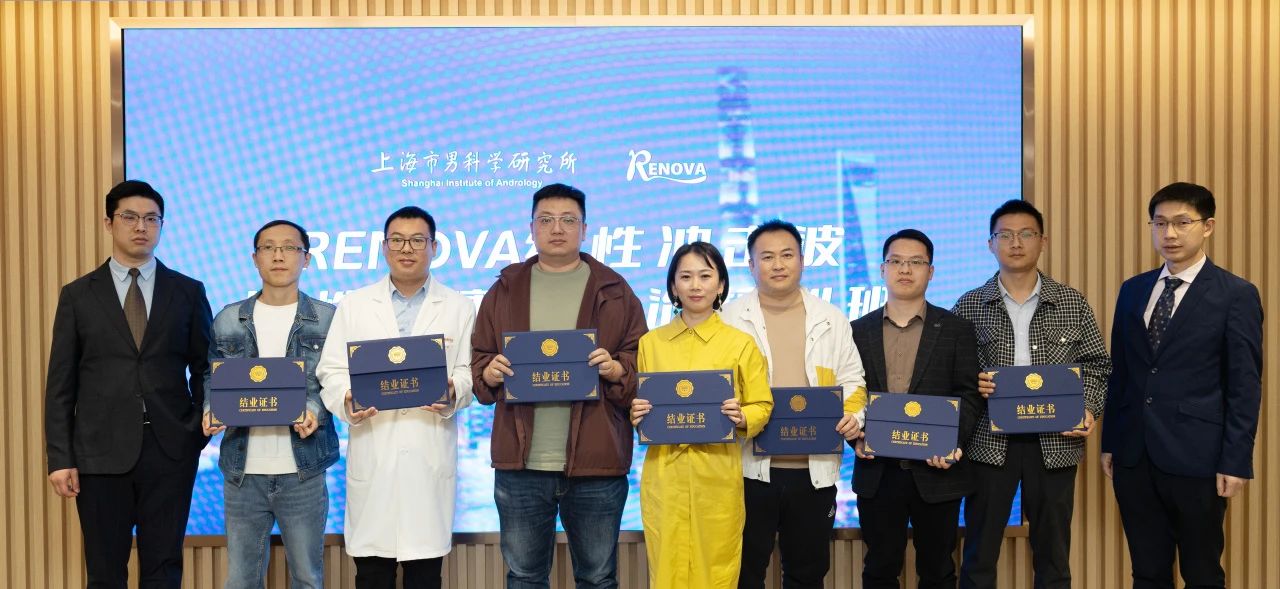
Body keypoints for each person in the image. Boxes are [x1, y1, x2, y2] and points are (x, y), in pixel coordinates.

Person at [471, 184, 648, 589]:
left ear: (584, 229)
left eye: (568, 220)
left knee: (598, 578)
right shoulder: (504, 289)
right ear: (531, 227)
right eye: (546, 220)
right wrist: (489, 373)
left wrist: (616, 369)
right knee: (524, 577)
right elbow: (479, 359)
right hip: (521, 465)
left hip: (596, 463)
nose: (557, 229)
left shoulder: (615, 291)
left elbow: (642, 363)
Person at [45, 180, 213, 588]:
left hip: (170, 449)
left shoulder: (187, 291)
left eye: (152, 219)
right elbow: (61, 383)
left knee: (164, 567)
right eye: (131, 217)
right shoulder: (78, 296)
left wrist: (197, 426)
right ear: (109, 222)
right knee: (104, 571)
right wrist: (60, 457)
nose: (142, 227)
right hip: (99, 453)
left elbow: (205, 366)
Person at [1101, 182, 1263, 589]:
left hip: (1199, 457)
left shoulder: (1236, 294)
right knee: (1147, 571)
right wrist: (1111, 442)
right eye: (1160, 224)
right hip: (1134, 456)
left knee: (1202, 573)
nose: (1169, 234)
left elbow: (1244, 385)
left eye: (1181, 223)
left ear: (1207, 226)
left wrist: (1236, 460)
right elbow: (1121, 374)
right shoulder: (1133, 290)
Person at [952, 200, 1111, 589]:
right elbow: (952, 375)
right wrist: (974, 382)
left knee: (1053, 555)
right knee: (979, 553)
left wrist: (1088, 409)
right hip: (989, 444)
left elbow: (1097, 366)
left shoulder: (1071, 302)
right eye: (1005, 235)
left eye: (1026, 234)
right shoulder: (969, 304)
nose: (1016, 243)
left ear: (1043, 241)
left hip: (1055, 442)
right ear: (990, 244)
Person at [316, 206, 475, 589]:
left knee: (425, 576)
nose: (407, 248)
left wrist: (453, 391)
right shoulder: (355, 304)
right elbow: (331, 370)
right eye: (398, 240)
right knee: (372, 575)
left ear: (434, 247)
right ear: (384, 247)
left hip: (427, 455)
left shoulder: (458, 306)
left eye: (418, 240)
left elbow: (470, 369)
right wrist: (347, 398)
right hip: (375, 453)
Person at [719, 220, 866, 589]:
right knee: (744, 574)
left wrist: (854, 416)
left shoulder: (831, 318)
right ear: (750, 265)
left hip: (813, 474)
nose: (778, 264)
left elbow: (853, 381)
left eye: (787, 255)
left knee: (807, 575)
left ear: (802, 260)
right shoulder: (729, 319)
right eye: (767, 257)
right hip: (748, 472)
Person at [201, 219, 338, 589]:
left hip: (304, 471)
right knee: (241, 580)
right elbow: (212, 375)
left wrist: (315, 410)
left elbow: (336, 379)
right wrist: (211, 408)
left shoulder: (328, 318)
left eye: (289, 247)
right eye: (268, 247)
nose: (279, 255)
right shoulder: (229, 318)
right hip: (243, 471)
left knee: (307, 578)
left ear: (306, 258)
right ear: (255, 258)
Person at [630, 241, 774, 589]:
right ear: (673, 286)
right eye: (686, 277)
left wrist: (742, 417)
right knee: (667, 570)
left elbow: (762, 404)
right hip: (665, 476)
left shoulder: (740, 343)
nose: (696, 285)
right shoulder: (651, 343)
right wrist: (637, 413)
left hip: (717, 476)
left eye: (705, 276)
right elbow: (646, 409)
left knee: (717, 570)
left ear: (721, 285)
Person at [849, 229, 982, 589]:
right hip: (878, 472)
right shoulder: (856, 331)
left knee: (939, 571)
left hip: (937, 471)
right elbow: (850, 395)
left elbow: (970, 394)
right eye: (896, 261)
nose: (905, 269)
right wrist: (856, 439)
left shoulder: (956, 329)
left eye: (915, 262)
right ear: (882, 269)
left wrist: (953, 442)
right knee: (879, 569)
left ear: (931, 271)